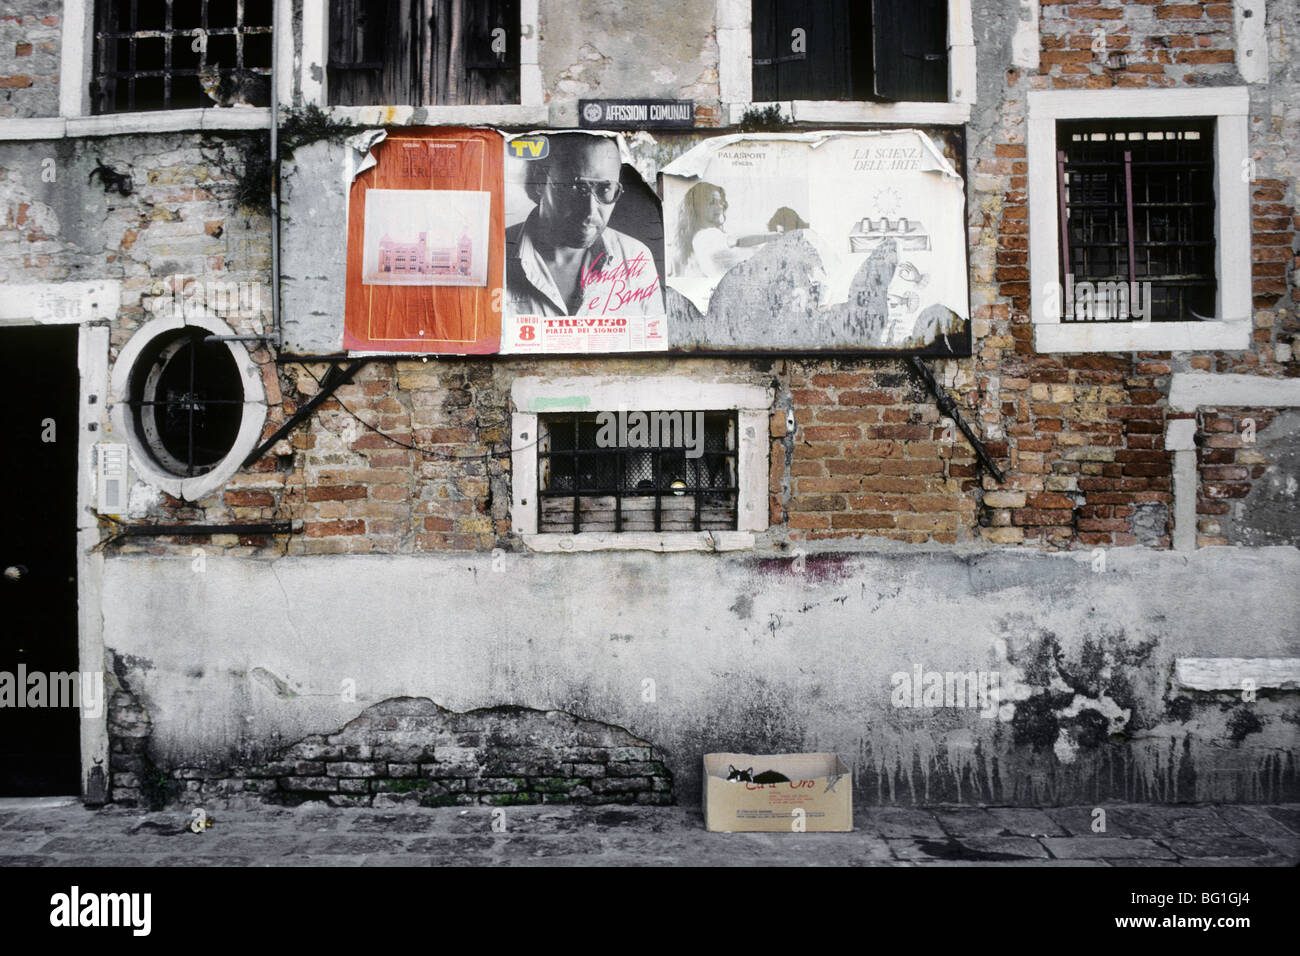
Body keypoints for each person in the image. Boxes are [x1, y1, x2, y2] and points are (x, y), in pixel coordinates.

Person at [506, 133, 663, 317]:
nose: (590, 211)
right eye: (577, 188)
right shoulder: (493, 257)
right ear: (540, 181)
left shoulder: (636, 257)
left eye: (605, 189)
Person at [671, 181, 792, 279]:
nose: (720, 206)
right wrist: (775, 236)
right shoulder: (705, 235)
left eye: (720, 202)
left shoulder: (705, 236)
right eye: (712, 202)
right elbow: (736, 240)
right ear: (697, 207)